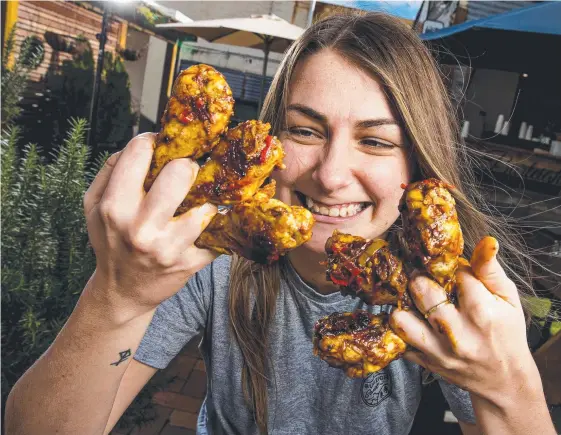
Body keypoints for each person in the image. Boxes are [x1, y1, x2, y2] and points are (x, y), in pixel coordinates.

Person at [5, 12, 556, 435]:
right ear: (268, 145)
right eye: (305, 131)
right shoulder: (205, 255)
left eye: (376, 140)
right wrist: (116, 296)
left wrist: (511, 386)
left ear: (418, 167)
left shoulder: (443, 297)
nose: (333, 174)